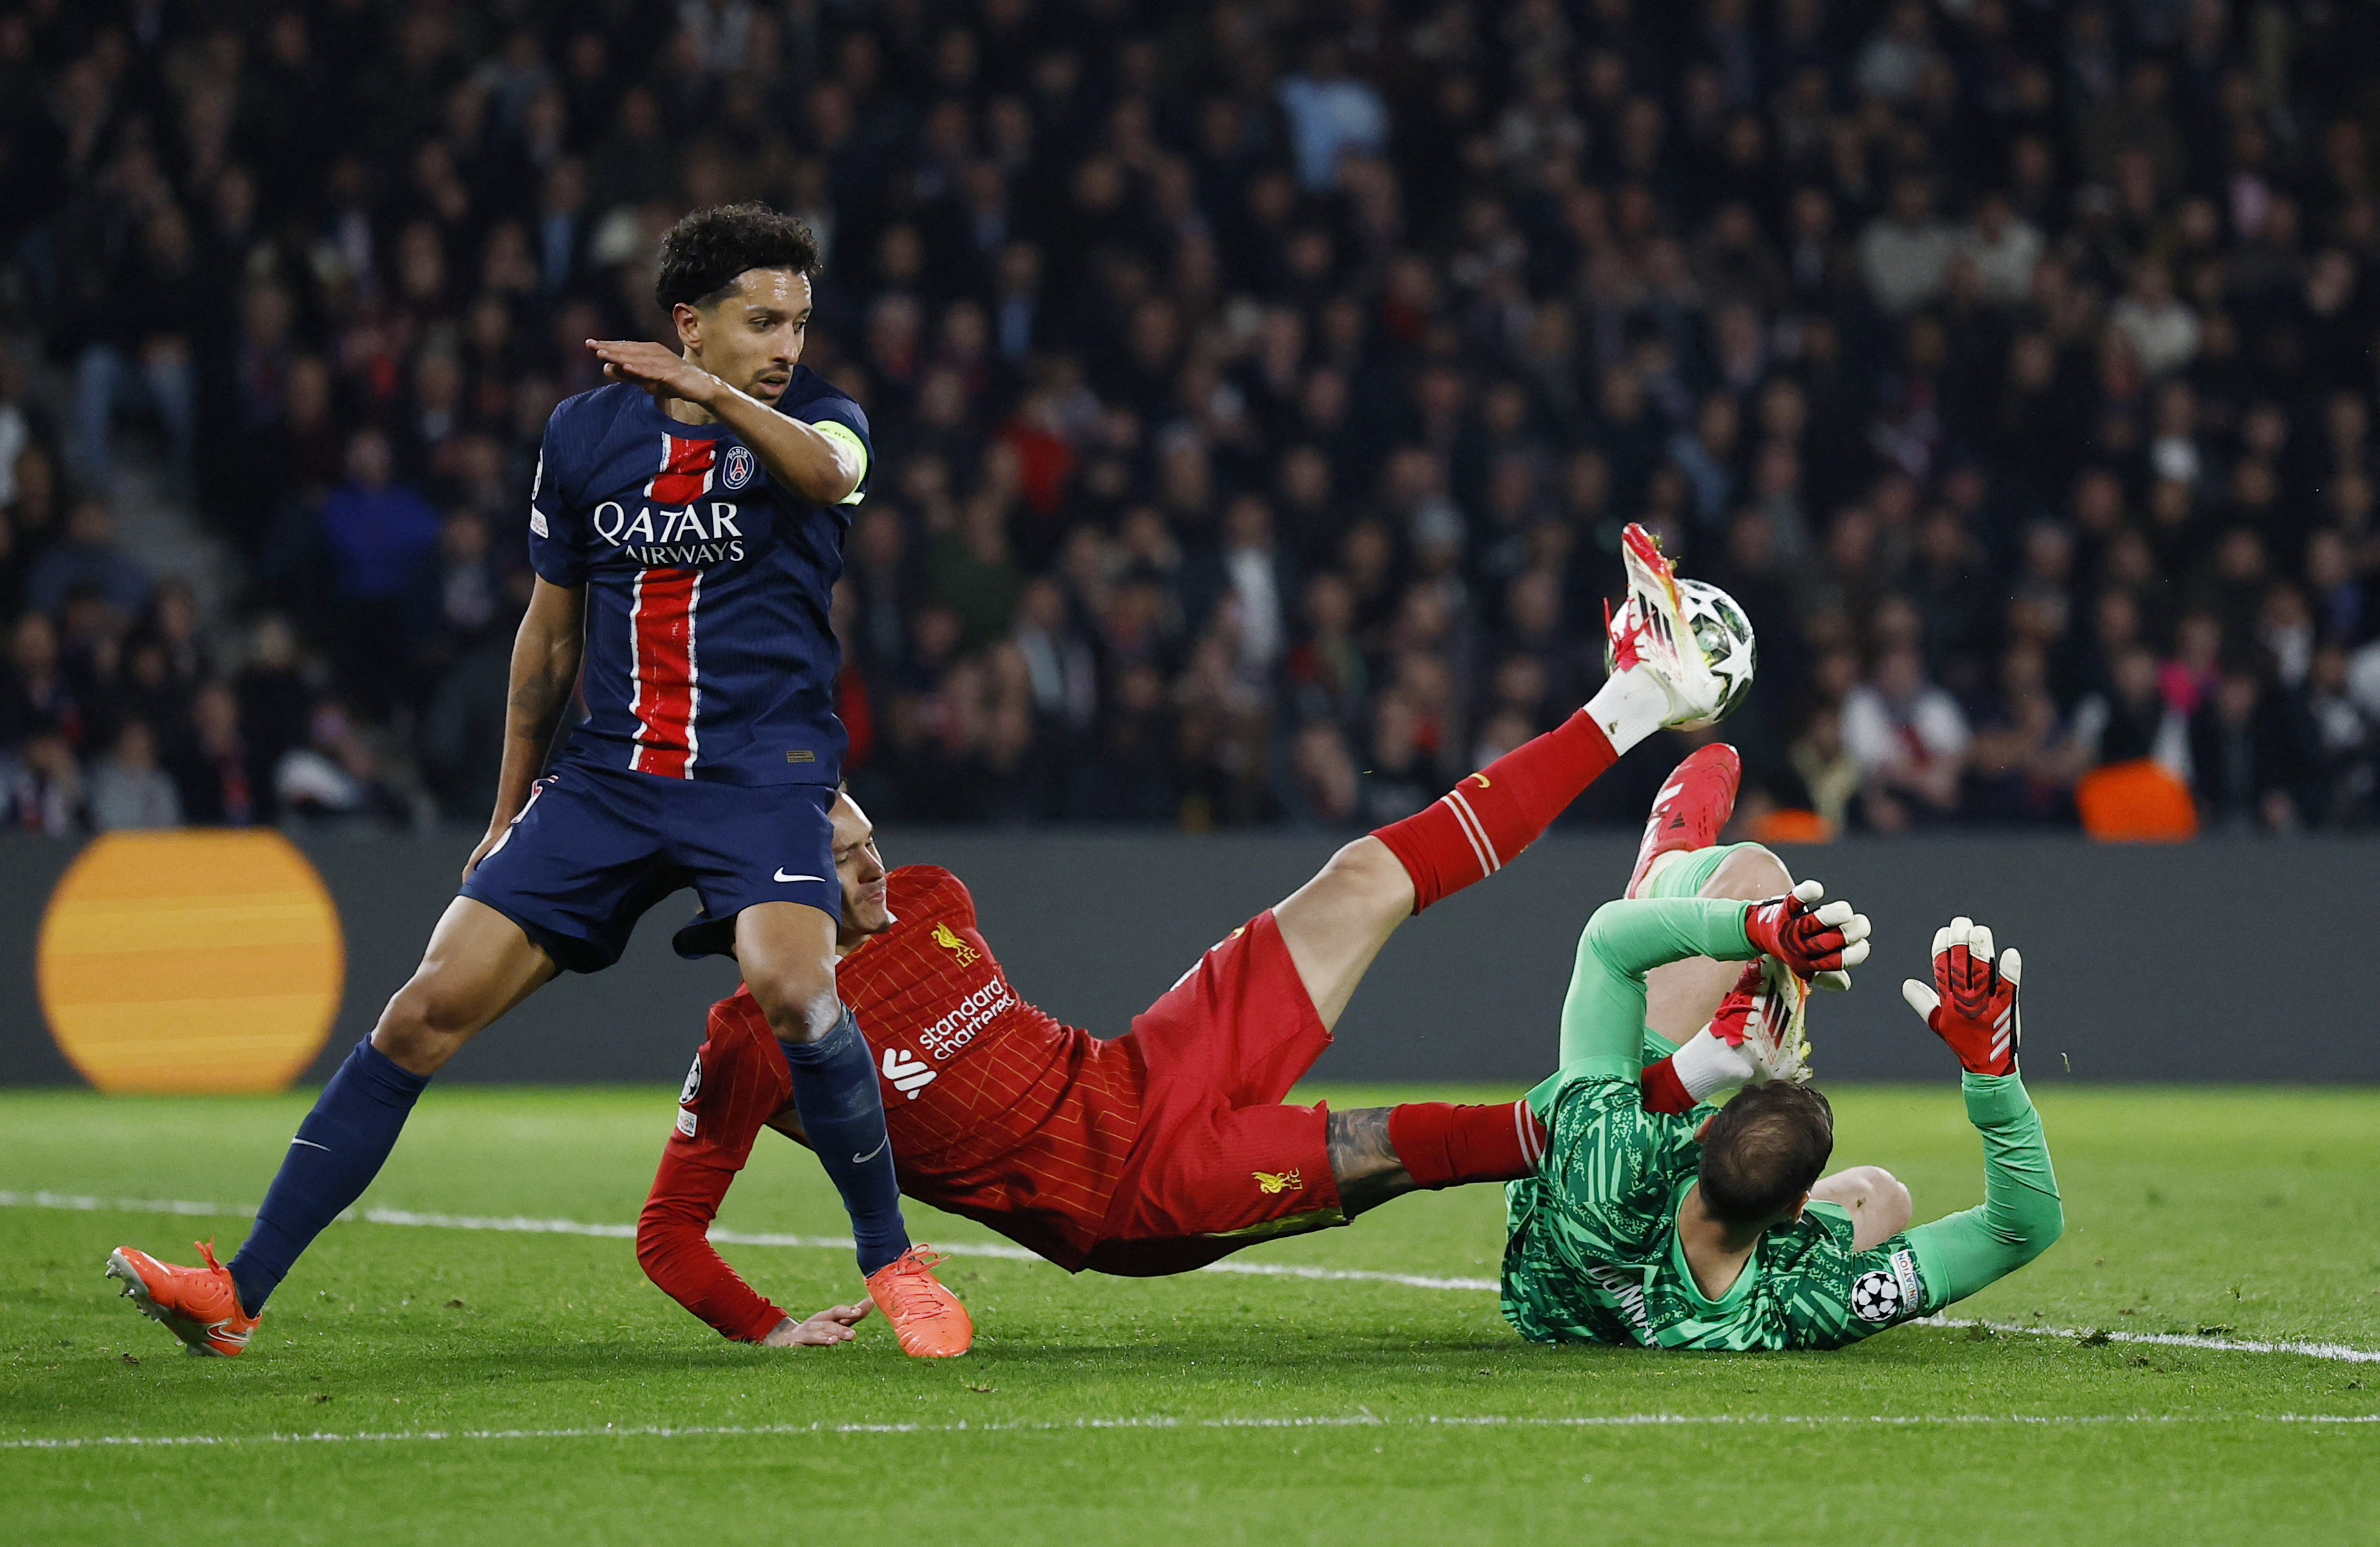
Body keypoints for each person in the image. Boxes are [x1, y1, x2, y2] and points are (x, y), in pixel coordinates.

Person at [105, 204, 966, 1360]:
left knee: (796, 992)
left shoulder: (819, 418)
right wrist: (506, 811)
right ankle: (236, 1292)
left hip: (761, 770)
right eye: (762, 322)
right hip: (607, 779)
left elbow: (826, 475)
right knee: (420, 1011)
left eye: (798, 321)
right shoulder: (584, 434)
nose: (787, 345)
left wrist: (714, 396)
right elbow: (549, 635)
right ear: (689, 321)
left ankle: (894, 1262)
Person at [635, 535, 1860, 1344]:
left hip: (1138, 1069)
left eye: (865, 836)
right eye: (842, 853)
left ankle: (1635, 697)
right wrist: (766, 1325)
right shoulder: (747, 1041)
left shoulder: (931, 896)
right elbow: (667, 1234)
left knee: (1362, 873)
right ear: (772, 875)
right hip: (1133, 1197)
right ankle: (1697, 1073)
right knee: (1423, 1140)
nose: (871, 863)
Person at [1498, 905, 2062, 1351]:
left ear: (1704, 1131)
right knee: (1881, 1195)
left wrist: (1756, 923)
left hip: (1550, 1296)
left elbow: (1607, 941)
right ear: (1797, 1208)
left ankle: (1705, 1059)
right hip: (1643, 1299)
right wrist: (1992, 1079)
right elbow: (2020, 1229)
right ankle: (1707, 1058)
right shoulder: (1803, 1304)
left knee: (1753, 875)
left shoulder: (1610, 1158)